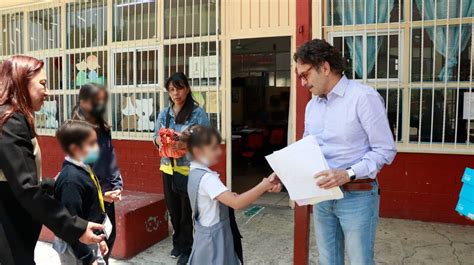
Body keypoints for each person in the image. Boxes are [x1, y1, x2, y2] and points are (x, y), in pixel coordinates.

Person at [293, 39, 397, 265]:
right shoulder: (312, 106)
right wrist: (287, 169)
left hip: (357, 196)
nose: (302, 83)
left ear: (325, 67)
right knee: (328, 260)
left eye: (305, 75)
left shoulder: (363, 98)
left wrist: (347, 173)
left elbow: (385, 150)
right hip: (322, 196)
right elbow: (308, 146)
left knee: (360, 261)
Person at [0, 55, 104, 265]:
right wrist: (75, 228)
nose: (47, 92)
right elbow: (26, 188)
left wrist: (55, 185)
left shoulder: (13, 118)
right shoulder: (10, 121)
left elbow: (21, 179)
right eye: (43, 84)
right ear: (21, 81)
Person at [183, 125, 282, 265]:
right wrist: (263, 185)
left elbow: (219, 199)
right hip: (215, 238)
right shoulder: (208, 179)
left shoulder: (194, 172)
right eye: (213, 148)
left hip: (203, 235)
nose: (219, 151)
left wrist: (228, 196)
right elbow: (237, 203)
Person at [153, 72, 210, 265]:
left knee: (187, 213)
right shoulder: (164, 114)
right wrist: (161, 143)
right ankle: (178, 242)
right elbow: (155, 137)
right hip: (168, 169)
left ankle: (188, 248)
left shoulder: (197, 113)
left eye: (179, 88)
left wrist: (186, 143)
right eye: (171, 90)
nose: (176, 93)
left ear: (187, 88)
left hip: (189, 170)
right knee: (174, 210)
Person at [72, 83, 123, 263]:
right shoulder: (77, 130)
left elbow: (111, 159)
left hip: (108, 195)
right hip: (90, 197)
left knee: (109, 237)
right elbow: (77, 171)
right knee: (92, 244)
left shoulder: (104, 128)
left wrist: (117, 184)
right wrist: (99, 195)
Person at [53, 120, 109, 265]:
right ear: (75, 148)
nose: (97, 147)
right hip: (77, 249)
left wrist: (99, 239)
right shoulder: (71, 180)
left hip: (89, 239)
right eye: (91, 144)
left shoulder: (84, 169)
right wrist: (88, 258)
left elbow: (89, 210)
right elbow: (71, 226)